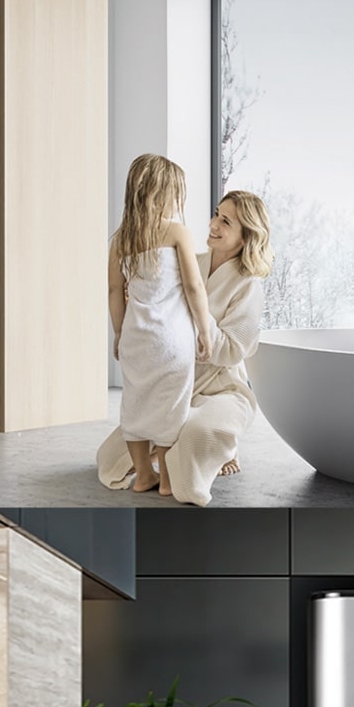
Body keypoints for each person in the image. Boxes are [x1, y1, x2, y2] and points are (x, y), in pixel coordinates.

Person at [98, 189, 273, 505]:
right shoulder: (190, 261)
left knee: (194, 435)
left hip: (222, 390)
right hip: (175, 382)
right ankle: (172, 453)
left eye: (226, 222)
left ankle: (223, 446)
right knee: (111, 457)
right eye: (216, 214)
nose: (213, 224)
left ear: (246, 236)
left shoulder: (248, 286)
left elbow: (231, 351)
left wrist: (193, 309)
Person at [109, 153, 213, 496]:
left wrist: (119, 333)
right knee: (171, 407)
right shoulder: (177, 232)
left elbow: (115, 291)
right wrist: (204, 330)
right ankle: (167, 479)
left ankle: (143, 475)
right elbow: (194, 287)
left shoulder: (121, 240)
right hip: (172, 340)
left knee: (135, 403)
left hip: (136, 338)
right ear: (163, 195)